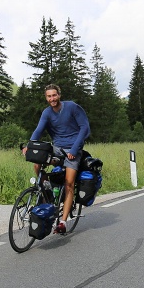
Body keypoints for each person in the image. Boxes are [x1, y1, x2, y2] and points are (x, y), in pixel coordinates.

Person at [25, 84, 90, 234]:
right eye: (49, 96)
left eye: (54, 95)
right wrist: (30, 146)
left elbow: (84, 127)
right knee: (37, 163)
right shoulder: (47, 113)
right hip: (57, 148)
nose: (52, 99)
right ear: (46, 97)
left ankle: (62, 222)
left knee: (69, 183)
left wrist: (74, 149)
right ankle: (48, 192)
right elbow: (38, 130)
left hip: (73, 149)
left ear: (59, 95)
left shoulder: (72, 107)